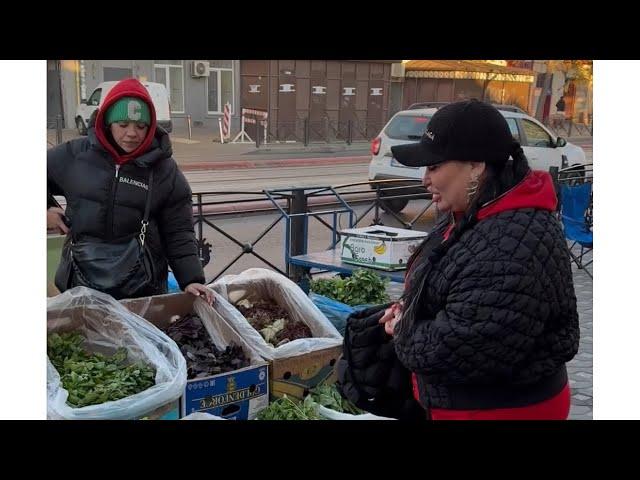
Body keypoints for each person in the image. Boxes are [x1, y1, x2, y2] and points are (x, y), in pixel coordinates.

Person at [379, 99, 579, 420]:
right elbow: (447, 288)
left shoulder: (512, 243)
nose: (424, 180)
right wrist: (408, 307)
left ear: (476, 166)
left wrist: (404, 329)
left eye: (434, 166)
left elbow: (460, 349)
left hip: (503, 410)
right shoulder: (470, 210)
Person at [47, 77, 213, 304]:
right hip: (79, 282)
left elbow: (178, 231)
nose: (132, 133)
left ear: (151, 125)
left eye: (140, 126)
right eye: (123, 125)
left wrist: (191, 279)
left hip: (142, 290)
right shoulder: (75, 155)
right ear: (107, 122)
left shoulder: (164, 169)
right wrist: (46, 209)